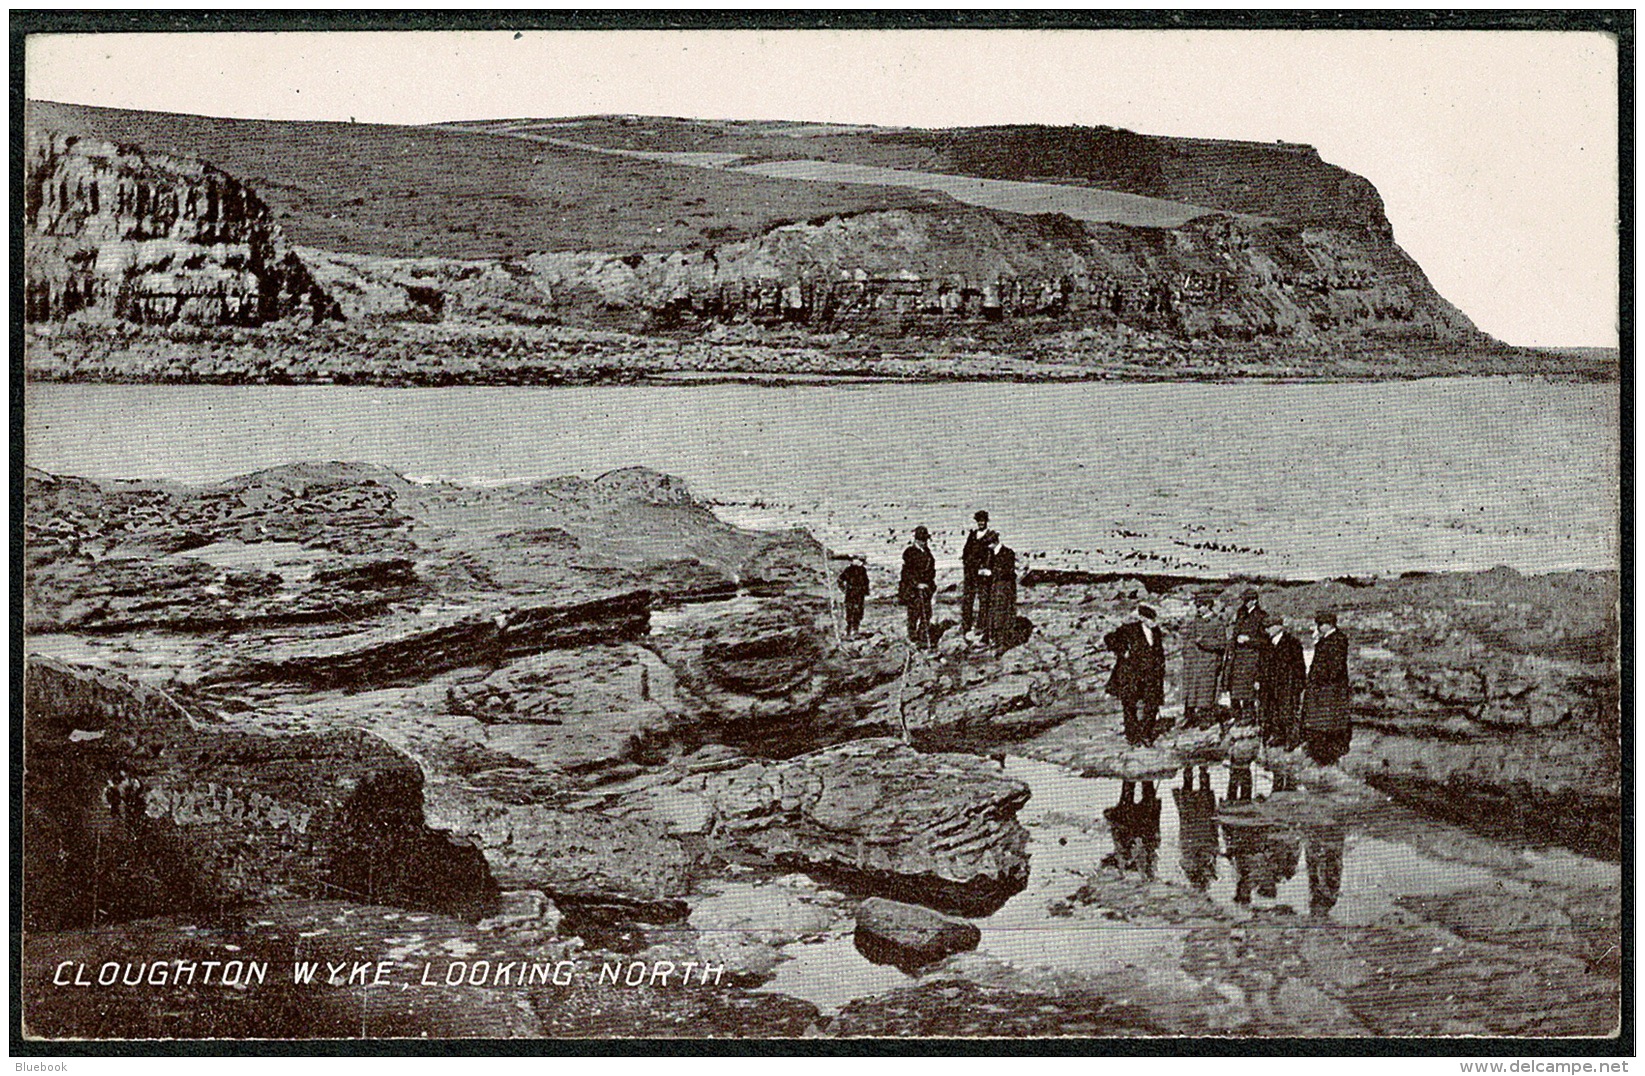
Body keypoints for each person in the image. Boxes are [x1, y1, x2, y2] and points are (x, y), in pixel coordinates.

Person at [1105, 603, 1166, 747]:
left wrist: (1161, 669)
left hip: (1152, 675)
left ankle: (1146, 734)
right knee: (1130, 705)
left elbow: (1159, 652)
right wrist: (1122, 651)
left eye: (1154, 619)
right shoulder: (1129, 629)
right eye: (1151, 620)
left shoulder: (1156, 631)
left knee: (1152, 704)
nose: (1154, 622)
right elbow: (1109, 638)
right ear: (1143, 619)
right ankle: (1132, 736)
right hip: (1132, 675)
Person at [1302, 610, 1352, 764]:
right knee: (1323, 721)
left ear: (1327, 625)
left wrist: (1320, 679)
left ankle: (1328, 754)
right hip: (1324, 686)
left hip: (1330, 687)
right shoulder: (1328, 640)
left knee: (1329, 722)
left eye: (1320, 625)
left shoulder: (1337, 640)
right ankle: (1322, 752)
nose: (1318, 628)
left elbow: (1334, 666)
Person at [1258, 612, 1308, 750]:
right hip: (1270, 685)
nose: (1266, 630)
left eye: (1269, 627)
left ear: (1278, 627)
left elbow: (1299, 666)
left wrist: (1299, 685)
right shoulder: (1267, 644)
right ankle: (1278, 736)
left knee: (1287, 713)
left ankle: (1291, 739)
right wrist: (1259, 680)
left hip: (1288, 685)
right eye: (1265, 627)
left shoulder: (1292, 643)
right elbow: (1261, 665)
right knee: (1273, 711)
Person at [1181, 591, 1226, 729]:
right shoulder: (1196, 621)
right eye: (1197, 605)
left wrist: (1205, 642)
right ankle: (1189, 717)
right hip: (1194, 663)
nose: (1198, 608)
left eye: (1200, 606)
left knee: (1206, 692)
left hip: (1208, 663)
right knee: (1190, 691)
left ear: (1208, 606)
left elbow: (1222, 644)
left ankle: (1206, 719)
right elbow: (1188, 638)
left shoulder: (1217, 623)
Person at [1225, 587, 1268, 729]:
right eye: (1244, 600)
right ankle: (1236, 715)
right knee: (1234, 687)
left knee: (1248, 690)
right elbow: (1235, 632)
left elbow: (1264, 641)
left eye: (1247, 600)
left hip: (1251, 657)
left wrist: (1249, 640)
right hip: (1238, 656)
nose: (1244, 603)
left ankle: (1249, 717)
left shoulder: (1261, 616)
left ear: (1254, 600)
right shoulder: (1241, 613)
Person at [1174, 766, 1219, 892]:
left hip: (1197, 830)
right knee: (1196, 798)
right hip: (1196, 830)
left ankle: (1196, 771)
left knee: (1197, 798)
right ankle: (1195, 771)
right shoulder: (1193, 865)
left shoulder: (1192, 865)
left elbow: (1213, 847)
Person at [960, 510, 998, 637]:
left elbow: (993, 554)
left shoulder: (991, 535)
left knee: (984, 599)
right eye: (979, 521)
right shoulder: (972, 535)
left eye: (983, 520)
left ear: (986, 521)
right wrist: (967, 564)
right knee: (968, 598)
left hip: (983, 573)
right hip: (970, 572)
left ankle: (982, 626)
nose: (981, 523)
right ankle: (966, 625)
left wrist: (987, 568)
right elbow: (966, 552)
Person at [898, 526, 936, 649]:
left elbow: (931, 571)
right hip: (913, 590)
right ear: (916, 540)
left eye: (925, 539)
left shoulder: (928, 553)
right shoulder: (909, 553)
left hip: (926, 589)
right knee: (914, 614)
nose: (924, 542)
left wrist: (929, 585)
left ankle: (923, 637)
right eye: (921, 539)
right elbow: (907, 573)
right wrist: (916, 584)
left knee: (927, 613)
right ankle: (913, 638)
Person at [985, 539, 1019, 653]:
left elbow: (1007, 572)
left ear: (993, 542)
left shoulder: (1007, 553)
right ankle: (996, 641)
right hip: (996, 588)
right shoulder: (992, 553)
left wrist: (991, 573)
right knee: (995, 613)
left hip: (1005, 588)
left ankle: (1004, 643)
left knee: (1004, 614)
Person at [837, 555, 870, 637]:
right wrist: (843, 589)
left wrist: (865, 591)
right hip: (851, 593)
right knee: (850, 611)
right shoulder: (848, 570)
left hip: (859, 594)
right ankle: (849, 630)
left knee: (858, 611)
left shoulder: (863, 570)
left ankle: (855, 630)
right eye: (861, 561)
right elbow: (840, 579)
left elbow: (866, 581)